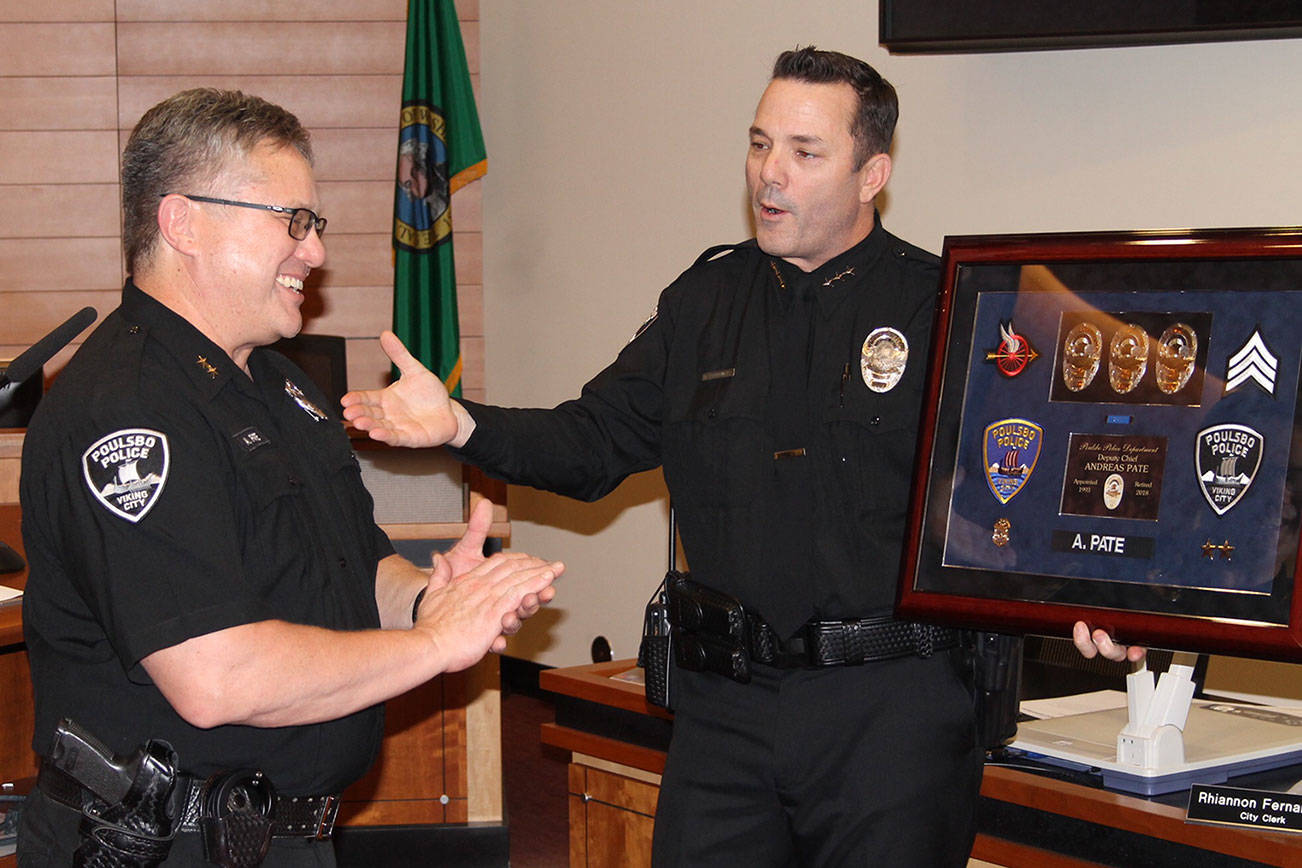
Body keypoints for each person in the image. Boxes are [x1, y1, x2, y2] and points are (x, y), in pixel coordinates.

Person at [343, 47, 1140, 866]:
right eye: (760, 144)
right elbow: (592, 440)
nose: (770, 175)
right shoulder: (705, 302)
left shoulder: (946, 308)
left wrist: (1098, 601)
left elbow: (1032, 488)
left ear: (873, 175)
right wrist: (461, 425)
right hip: (728, 710)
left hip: (890, 712)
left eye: (804, 152)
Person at [17, 88, 561, 866]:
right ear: (184, 224)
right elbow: (217, 676)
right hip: (156, 845)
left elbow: (354, 567)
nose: (314, 251)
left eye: (315, 225)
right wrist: (437, 644)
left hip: (279, 838)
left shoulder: (285, 389)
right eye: (292, 221)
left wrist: (428, 598)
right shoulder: (125, 409)